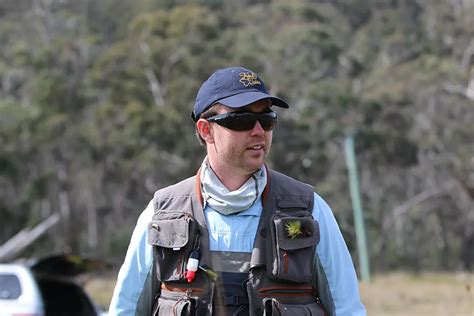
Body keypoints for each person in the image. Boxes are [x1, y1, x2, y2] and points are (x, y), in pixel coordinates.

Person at [109, 66, 366, 315]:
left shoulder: (309, 210)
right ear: (205, 130)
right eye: (242, 120)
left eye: (266, 119)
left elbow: (347, 309)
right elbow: (125, 310)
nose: (258, 131)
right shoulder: (161, 213)